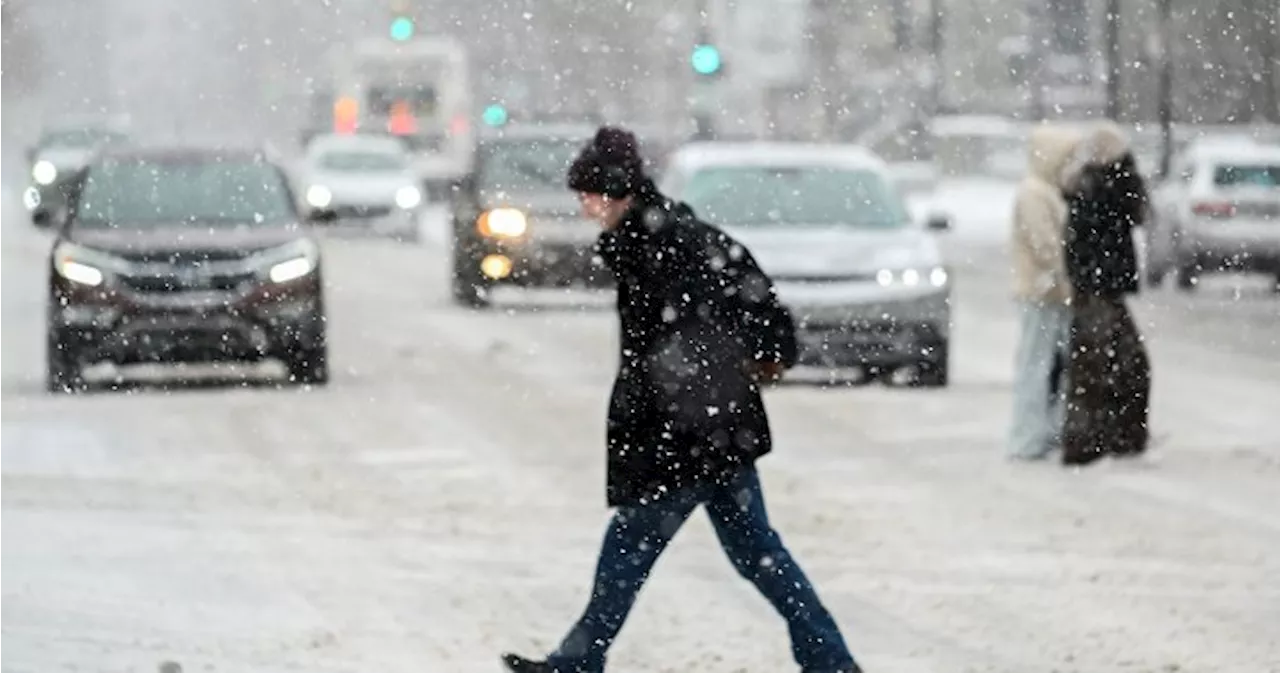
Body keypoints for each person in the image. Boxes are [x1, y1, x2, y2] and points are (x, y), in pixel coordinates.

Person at [501, 127, 860, 673]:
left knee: (633, 546)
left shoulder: (665, 243)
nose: (583, 207)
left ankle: (576, 663)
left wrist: (713, 388)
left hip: (690, 430)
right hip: (712, 427)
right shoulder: (658, 236)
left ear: (616, 192)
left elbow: (723, 315)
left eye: (588, 195)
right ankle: (831, 662)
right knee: (756, 555)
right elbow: (745, 292)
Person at [1058, 121, 1152, 466]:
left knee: (1103, 366)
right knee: (1102, 368)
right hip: (1099, 289)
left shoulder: (1093, 187)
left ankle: (1101, 439)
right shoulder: (1104, 188)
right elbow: (1135, 212)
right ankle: (1100, 440)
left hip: (1098, 288)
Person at [1007, 124, 1083, 461]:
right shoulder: (1034, 194)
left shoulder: (1046, 191)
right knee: (1036, 367)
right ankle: (1028, 438)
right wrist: (1067, 274)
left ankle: (1048, 432)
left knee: (1054, 367)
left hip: (1053, 292)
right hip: (1043, 293)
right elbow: (1046, 245)